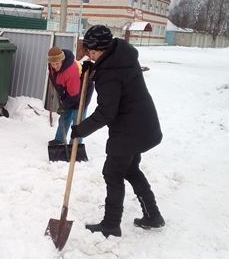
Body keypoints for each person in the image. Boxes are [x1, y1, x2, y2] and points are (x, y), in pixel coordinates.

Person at [70, 25, 165, 238]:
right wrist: (92, 70)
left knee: (112, 174)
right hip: (141, 124)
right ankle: (153, 215)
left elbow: (106, 112)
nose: (90, 55)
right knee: (130, 170)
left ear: (100, 49)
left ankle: (111, 225)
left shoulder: (109, 73)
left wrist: (80, 130)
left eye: (91, 52)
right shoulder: (121, 55)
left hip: (128, 130)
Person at [47, 46, 94, 145]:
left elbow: (74, 95)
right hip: (68, 92)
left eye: (57, 63)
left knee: (77, 119)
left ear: (62, 60)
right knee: (64, 117)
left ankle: (75, 144)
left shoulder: (70, 72)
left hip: (82, 92)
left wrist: (64, 104)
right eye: (53, 64)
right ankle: (59, 139)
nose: (55, 66)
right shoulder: (52, 66)